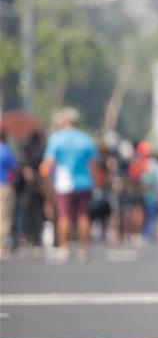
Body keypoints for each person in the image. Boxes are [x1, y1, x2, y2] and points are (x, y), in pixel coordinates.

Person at [41, 107, 98, 262]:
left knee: (64, 216)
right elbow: (93, 165)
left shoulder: (57, 138)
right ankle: (84, 249)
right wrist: (97, 183)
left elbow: (48, 165)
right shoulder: (86, 139)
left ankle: (64, 248)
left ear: (64, 122)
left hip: (64, 184)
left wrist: (46, 185)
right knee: (84, 215)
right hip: (85, 182)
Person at [0, 130, 19, 256]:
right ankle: (1, 244)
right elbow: (14, 168)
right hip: (4, 185)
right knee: (4, 216)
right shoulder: (5, 150)